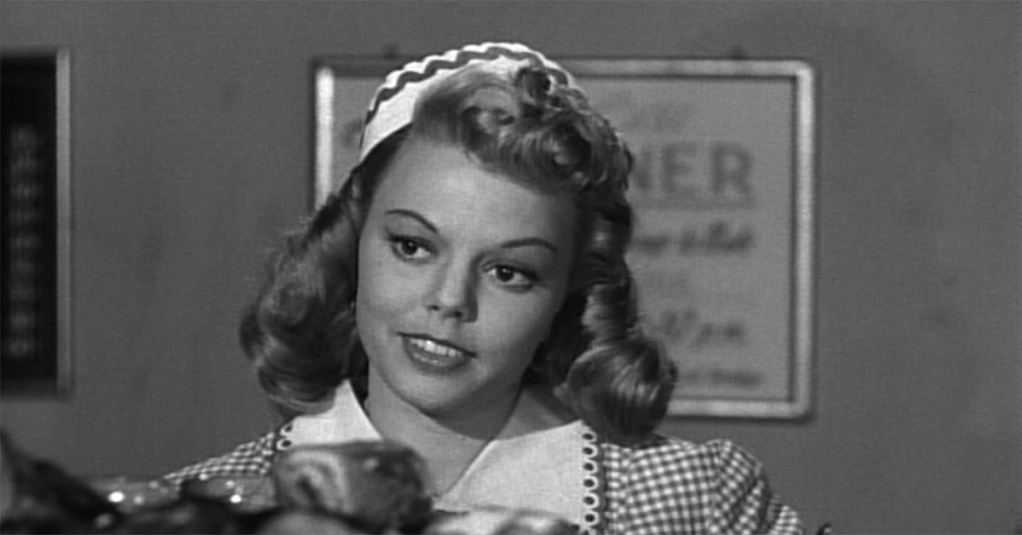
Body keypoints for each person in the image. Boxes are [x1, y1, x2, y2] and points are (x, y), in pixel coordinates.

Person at [165, 42, 804, 534]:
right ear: (351, 245)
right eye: (412, 246)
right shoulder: (199, 512)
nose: (450, 300)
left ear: (567, 296)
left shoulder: (692, 503)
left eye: (509, 272)